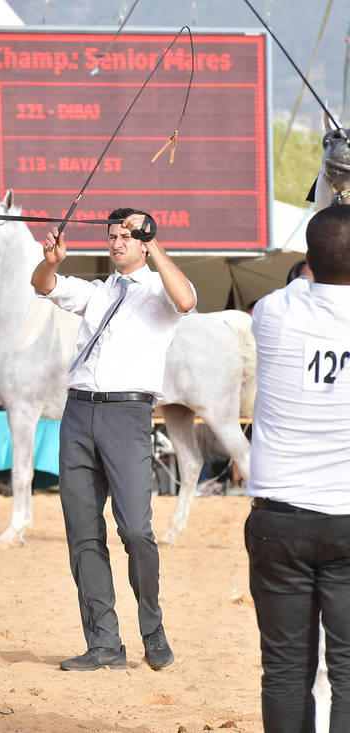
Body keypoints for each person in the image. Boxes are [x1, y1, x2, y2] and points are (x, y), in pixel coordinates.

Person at [33, 209, 196, 672]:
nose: (118, 241)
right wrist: (51, 261)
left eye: (128, 235)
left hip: (128, 413)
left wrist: (155, 243)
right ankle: (104, 642)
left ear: (144, 242)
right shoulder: (97, 291)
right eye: (113, 235)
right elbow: (44, 285)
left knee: (135, 530)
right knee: (83, 533)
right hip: (79, 411)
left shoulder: (161, 289)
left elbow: (185, 301)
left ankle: (152, 628)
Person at [245, 205, 350, 731]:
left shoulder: (274, 312)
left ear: (308, 259)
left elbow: (310, 274)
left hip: (280, 521)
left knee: (286, 670)